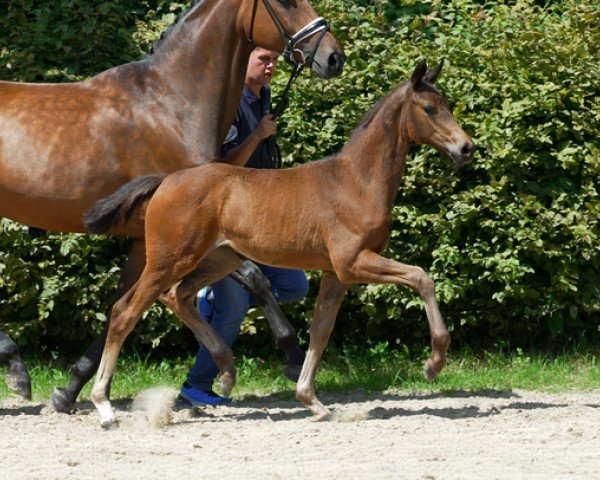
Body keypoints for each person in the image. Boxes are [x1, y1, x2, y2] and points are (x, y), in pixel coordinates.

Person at [179, 47, 309, 406]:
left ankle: (206, 299)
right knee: (233, 311)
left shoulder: (262, 95)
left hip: (261, 220)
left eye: (274, 61)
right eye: (263, 59)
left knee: (295, 285)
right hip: (229, 225)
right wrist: (258, 135)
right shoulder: (230, 102)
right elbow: (222, 167)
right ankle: (195, 389)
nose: (271, 66)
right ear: (244, 61)